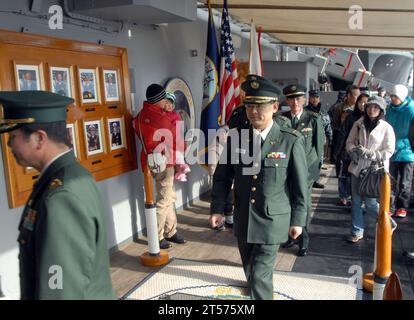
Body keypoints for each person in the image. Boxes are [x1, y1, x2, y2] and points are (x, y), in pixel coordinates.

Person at [0, 90, 116, 300]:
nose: (9, 145)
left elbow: (60, 291)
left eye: (13, 136)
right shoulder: (71, 175)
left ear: (38, 138)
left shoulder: (61, 197)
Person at [209, 75, 308, 299]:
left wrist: (298, 221)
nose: (254, 111)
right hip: (244, 217)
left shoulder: (290, 140)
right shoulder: (237, 139)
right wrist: (216, 208)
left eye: (260, 105)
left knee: (261, 273)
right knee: (250, 269)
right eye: (249, 105)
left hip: (273, 221)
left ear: (274, 106)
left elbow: (300, 186)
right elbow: (222, 177)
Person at [133, 84, 187, 249]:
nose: (166, 102)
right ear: (158, 101)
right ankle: (155, 237)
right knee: (164, 200)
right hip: (165, 162)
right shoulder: (162, 118)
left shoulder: (140, 115)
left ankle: (171, 232)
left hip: (148, 161)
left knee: (168, 197)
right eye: (164, 99)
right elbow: (178, 141)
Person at [281, 84, 324, 257]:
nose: (295, 102)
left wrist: (314, 172)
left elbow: (318, 148)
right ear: (287, 100)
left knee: (303, 204)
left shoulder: (313, 119)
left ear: (304, 99)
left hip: (305, 171)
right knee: (287, 202)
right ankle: (291, 235)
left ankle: (303, 240)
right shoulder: (281, 118)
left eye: (298, 98)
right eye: (291, 98)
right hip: (285, 170)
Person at [345, 96, 396, 242]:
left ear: (381, 110)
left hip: (374, 170)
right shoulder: (358, 123)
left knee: (370, 203)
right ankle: (356, 231)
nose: (371, 110)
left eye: (375, 107)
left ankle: (388, 222)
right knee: (355, 201)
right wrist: (353, 151)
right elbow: (349, 142)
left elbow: (389, 150)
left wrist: (371, 154)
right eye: (369, 107)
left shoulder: (386, 128)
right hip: (357, 168)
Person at [385, 84, 414, 218]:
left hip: (408, 152)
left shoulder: (411, 110)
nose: (392, 99)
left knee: (405, 182)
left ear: (401, 97)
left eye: (395, 97)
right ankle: (390, 206)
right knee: (391, 181)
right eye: (392, 96)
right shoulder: (389, 109)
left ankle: (402, 207)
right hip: (392, 149)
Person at [331, 85, 361, 206]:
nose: (358, 98)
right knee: (343, 171)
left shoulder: (360, 109)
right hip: (343, 142)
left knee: (354, 172)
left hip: (357, 145)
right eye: (355, 96)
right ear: (348, 96)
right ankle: (343, 195)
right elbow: (335, 125)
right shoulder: (338, 108)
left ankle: (354, 195)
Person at [305, 89, 333, 189]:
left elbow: (328, 126)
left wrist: (330, 138)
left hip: (320, 140)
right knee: (307, 161)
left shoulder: (323, 112)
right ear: (309, 98)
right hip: (307, 140)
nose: (314, 99)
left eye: (316, 97)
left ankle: (315, 180)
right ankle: (307, 180)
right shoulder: (305, 111)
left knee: (319, 161)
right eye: (312, 97)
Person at [207, 125, 233, 230]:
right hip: (219, 178)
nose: (224, 136)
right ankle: (219, 221)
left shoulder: (230, 145)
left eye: (226, 133)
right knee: (221, 199)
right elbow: (213, 166)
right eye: (222, 133)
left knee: (229, 200)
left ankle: (229, 219)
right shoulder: (216, 147)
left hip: (229, 179)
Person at [164, 92, 191, 182]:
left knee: (179, 154)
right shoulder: (163, 116)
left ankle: (181, 172)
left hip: (176, 140)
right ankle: (180, 170)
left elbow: (179, 129)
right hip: (168, 142)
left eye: (171, 104)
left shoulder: (175, 115)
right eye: (167, 103)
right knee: (174, 156)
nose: (169, 105)